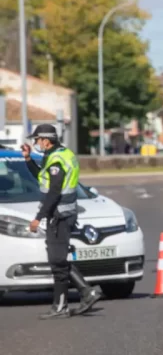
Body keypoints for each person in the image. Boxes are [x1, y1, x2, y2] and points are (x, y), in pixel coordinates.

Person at [22, 124, 102, 319]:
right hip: (64, 214)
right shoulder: (62, 154)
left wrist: (38, 218)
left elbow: (54, 191)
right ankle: (83, 293)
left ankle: (66, 303)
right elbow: (43, 177)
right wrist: (28, 159)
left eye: (37, 140)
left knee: (57, 261)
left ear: (46, 140)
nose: (36, 143)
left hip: (59, 215)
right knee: (58, 259)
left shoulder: (56, 159)